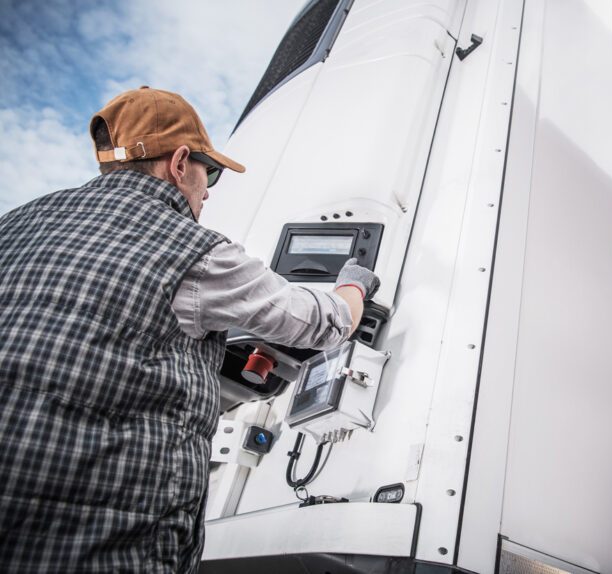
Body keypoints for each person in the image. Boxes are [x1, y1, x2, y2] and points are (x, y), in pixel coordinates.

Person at [0, 86, 380, 572]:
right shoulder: (189, 248)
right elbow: (320, 323)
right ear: (180, 164)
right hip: (96, 546)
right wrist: (353, 287)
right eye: (211, 174)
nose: (207, 192)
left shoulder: (18, 222)